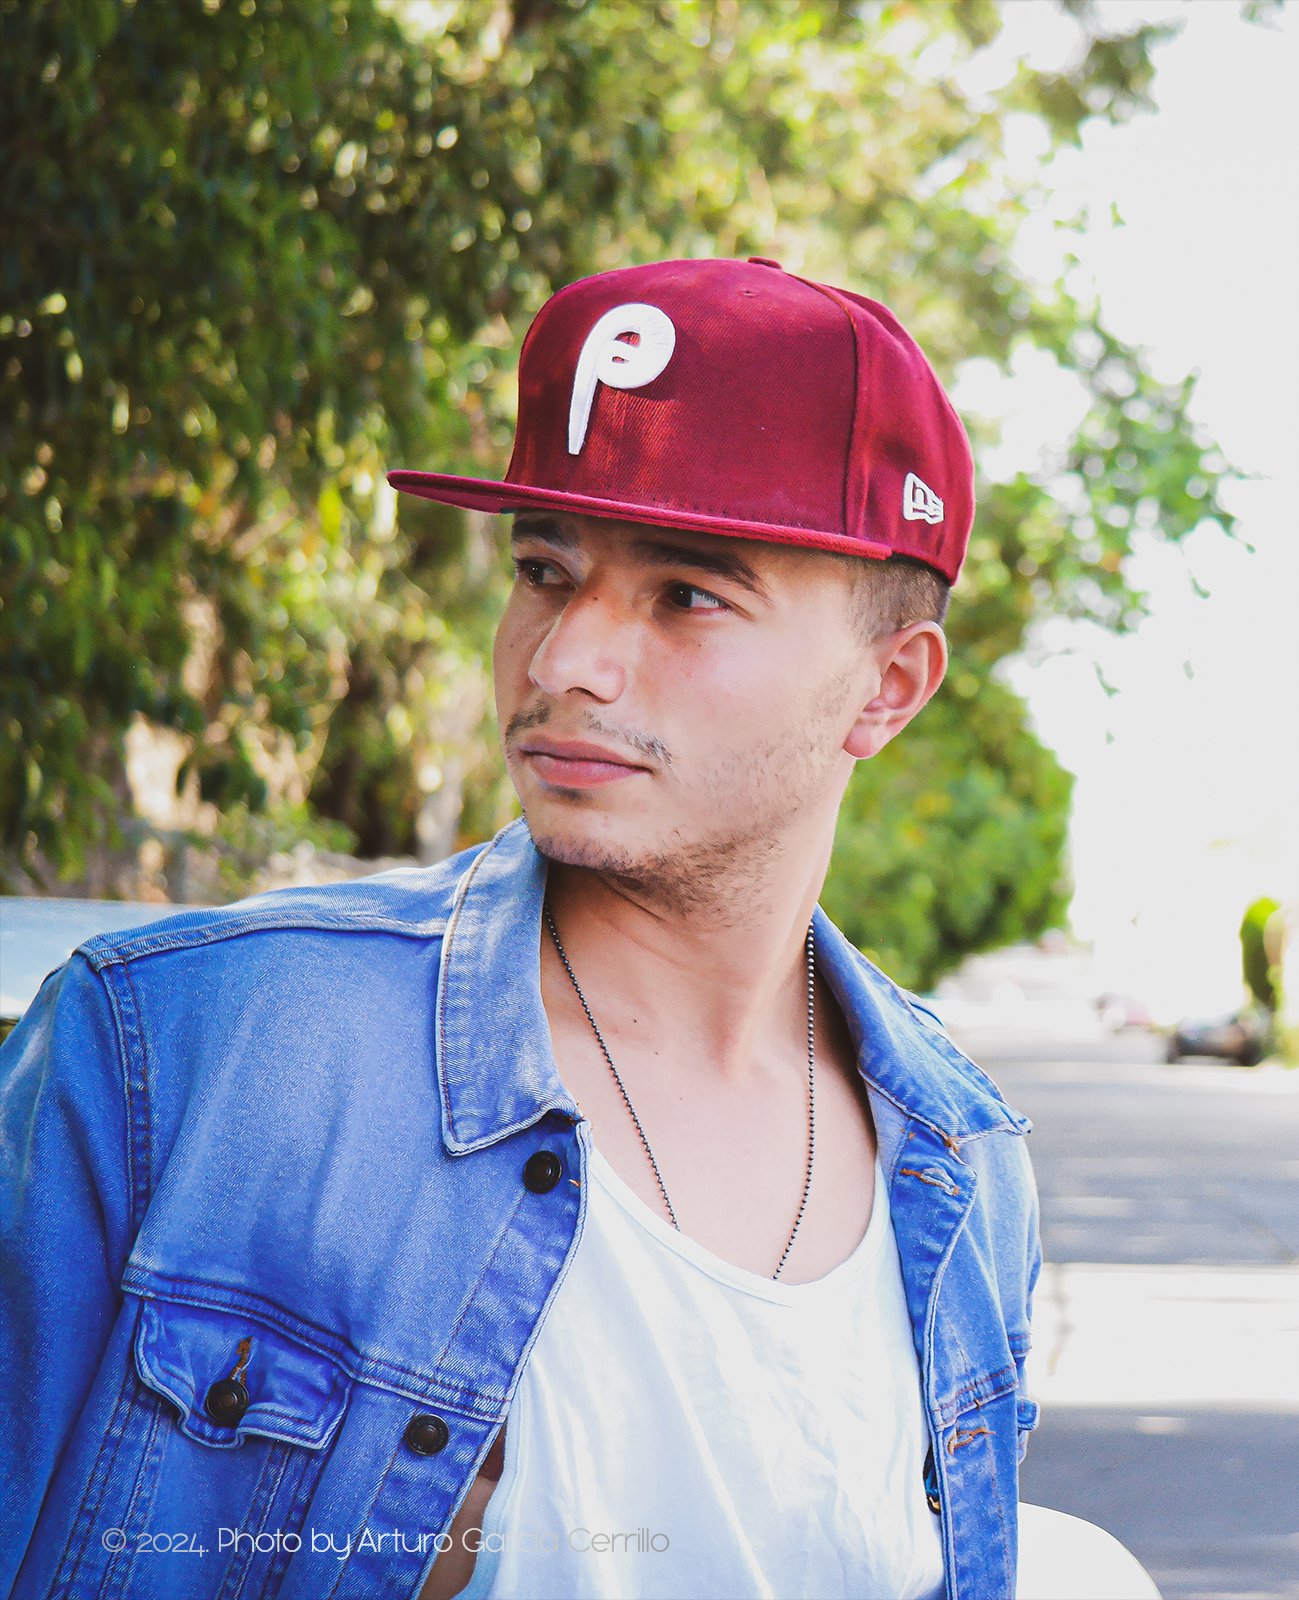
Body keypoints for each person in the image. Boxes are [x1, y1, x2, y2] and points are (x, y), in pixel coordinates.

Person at [0, 257, 1155, 1599]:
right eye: (545, 572)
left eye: (686, 597)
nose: (563, 664)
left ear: (887, 689)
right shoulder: (183, 1052)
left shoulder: (962, 1170)